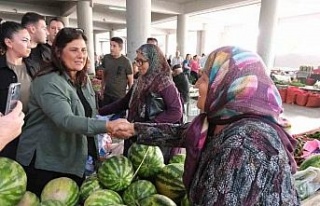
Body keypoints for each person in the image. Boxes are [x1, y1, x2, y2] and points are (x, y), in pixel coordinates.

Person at [110, 46, 300, 205]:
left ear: (229, 85)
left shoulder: (246, 145)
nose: (196, 83)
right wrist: (134, 128)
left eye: (205, 78)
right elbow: (183, 132)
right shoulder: (223, 119)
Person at [15, 28, 120, 197]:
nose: (81, 55)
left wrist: (95, 153)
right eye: (74, 50)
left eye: (84, 50)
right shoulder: (48, 81)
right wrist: (108, 126)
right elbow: (66, 120)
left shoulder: (83, 80)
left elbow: (88, 116)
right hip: (45, 163)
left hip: (72, 160)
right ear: (58, 52)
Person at [99, 44, 183, 163]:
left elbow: (175, 112)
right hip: (136, 135)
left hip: (153, 142)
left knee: (148, 170)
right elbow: (124, 102)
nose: (138, 66)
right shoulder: (141, 80)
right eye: (137, 61)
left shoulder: (164, 83)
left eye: (141, 62)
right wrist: (100, 111)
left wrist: (148, 126)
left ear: (153, 61)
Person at [0, 21, 35, 159]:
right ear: (9, 42)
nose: (30, 45)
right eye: (25, 40)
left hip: (31, 131)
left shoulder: (34, 67)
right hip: (7, 135)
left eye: (30, 41)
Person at [100, 37, 133, 109]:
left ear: (120, 48)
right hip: (107, 94)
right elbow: (104, 74)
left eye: (114, 46)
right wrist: (102, 89)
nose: (111, 48)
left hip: (119, 97)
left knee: (118, 118)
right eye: (110, 45)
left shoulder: (126, 62)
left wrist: (130, 97)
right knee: (104, 117)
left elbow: (130, 81)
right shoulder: (106, 58)